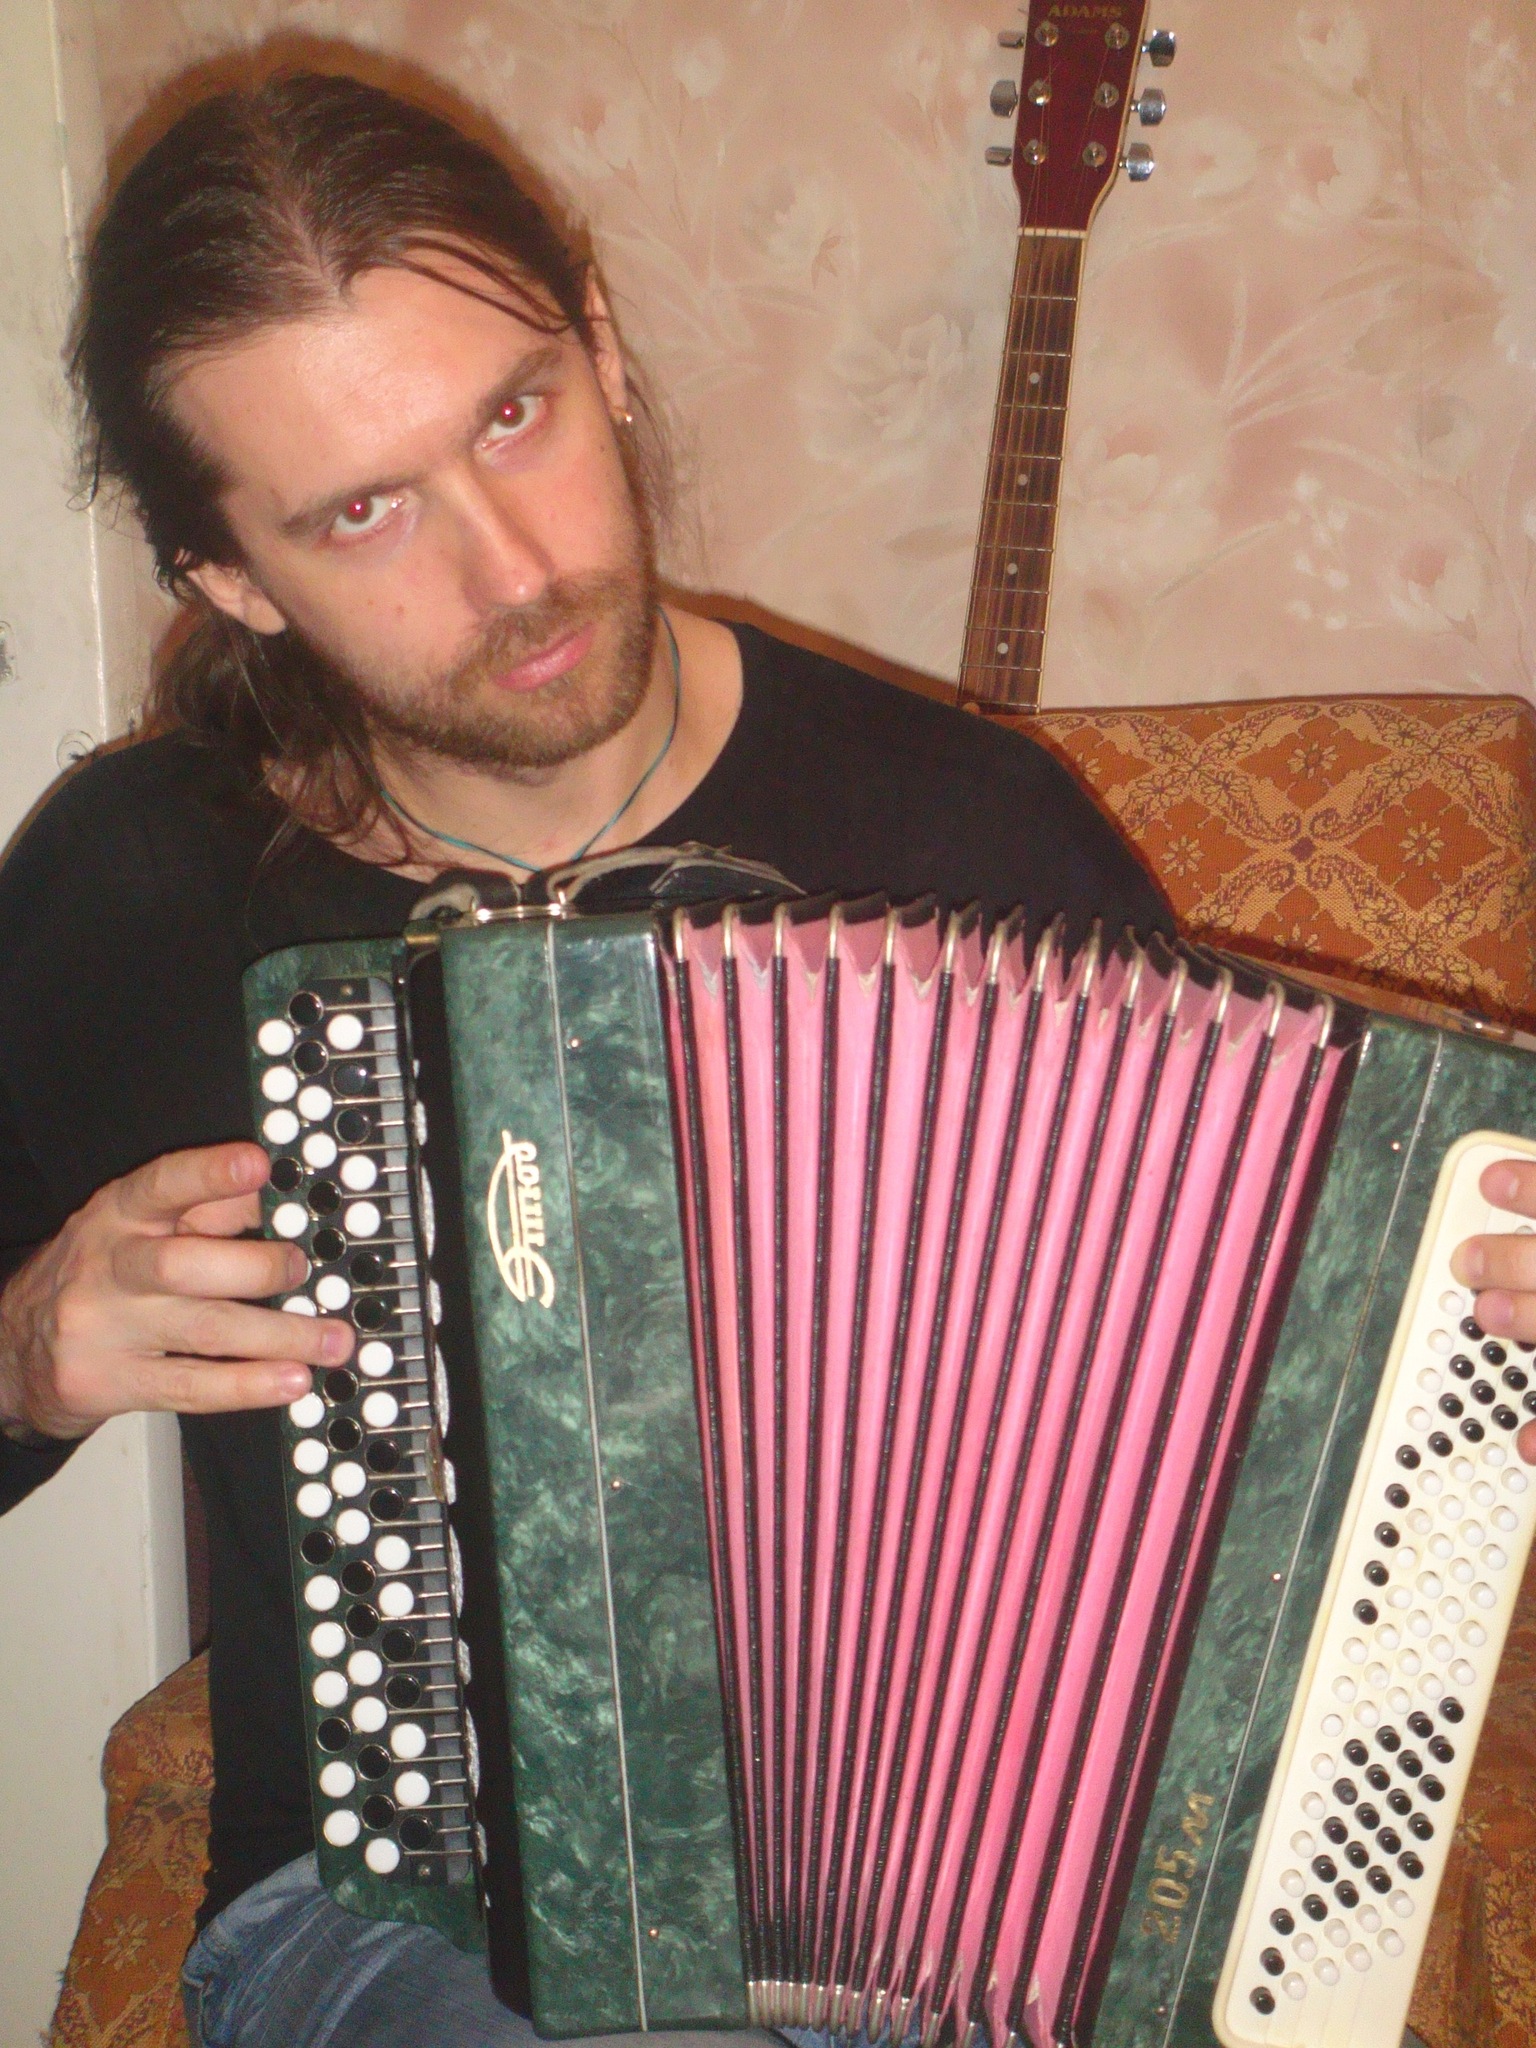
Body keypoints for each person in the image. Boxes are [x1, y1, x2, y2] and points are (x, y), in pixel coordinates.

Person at [0, 64, 1531, 2048]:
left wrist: (1471, 1358)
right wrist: (24, 1352)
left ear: (601, 347)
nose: (513, 569)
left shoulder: (971, 833)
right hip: (402, 1921)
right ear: (227, 577)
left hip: (986, 1901)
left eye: (516, 416)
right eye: (363, 511)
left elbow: (1271, 1450)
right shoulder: (138, 892)